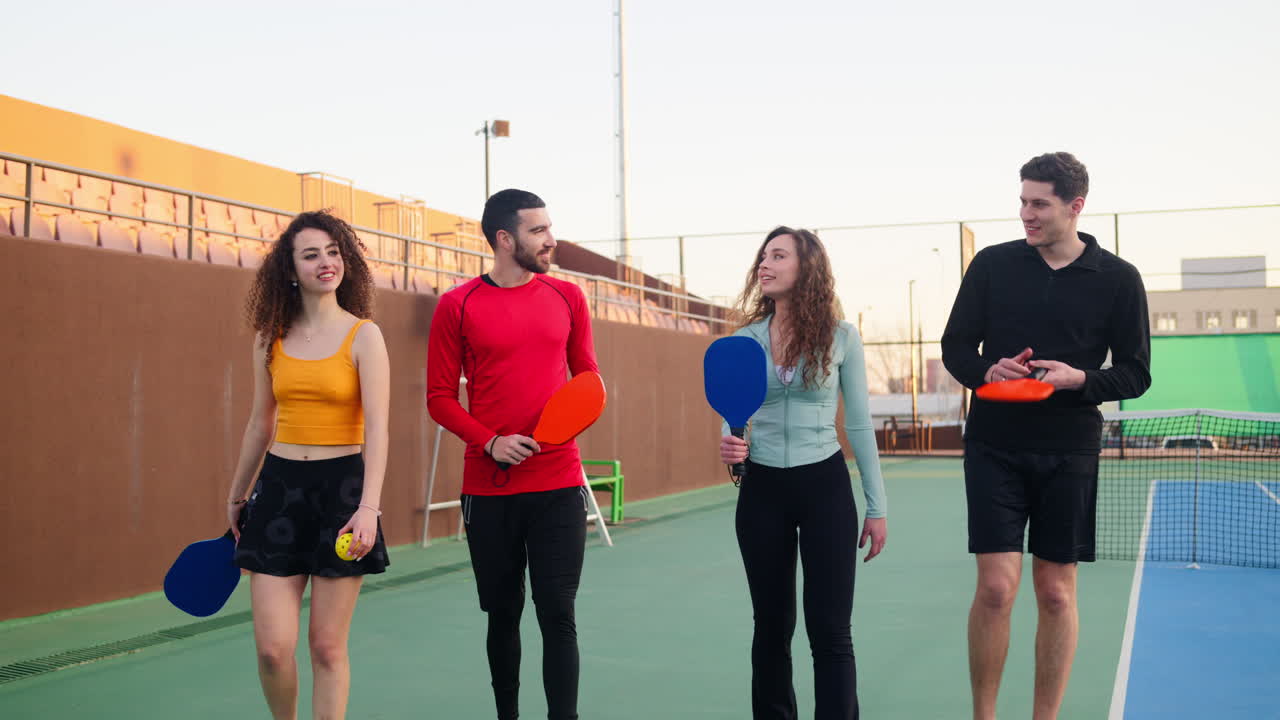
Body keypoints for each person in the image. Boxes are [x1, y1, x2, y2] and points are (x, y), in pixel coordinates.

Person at [941, 152, 1151, 720]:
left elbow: (1135, 372)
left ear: (1074, 207)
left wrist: (1080, 378)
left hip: (1071, 448)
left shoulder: (1119, 280)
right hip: (994, 445)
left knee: (1056, 594)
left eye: (1039, 204)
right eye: (1022, 201)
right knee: (996, 590)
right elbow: (956, 346)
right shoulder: (991, 266)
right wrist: (988, 370)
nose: (1026, 214)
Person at [427, 189, 599, 720]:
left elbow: (587, 380)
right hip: (489, 489)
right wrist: (491, 442)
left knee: (558, 616)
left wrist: (564, 424)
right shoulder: (457, 305)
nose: (551, 239)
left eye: (550, 228)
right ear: (505, 239)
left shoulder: (569, 297)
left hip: (558, 485)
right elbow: (437, 398)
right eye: (538, 231)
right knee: (502, 615)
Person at [227, 210, 391, 720]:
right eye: (311, 254)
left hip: (342, 491)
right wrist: (237, 496)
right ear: (290, 269)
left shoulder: (365, 336)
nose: (326, 262)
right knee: (273, 650)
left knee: (325, 647)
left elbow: (380, 430)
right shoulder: (268, 338)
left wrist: (370, 509)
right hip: (277, 489)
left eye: (334, 251)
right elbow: (260, 422)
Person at [719, 226, 888, 720]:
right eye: (762, 257)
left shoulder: (842, 336)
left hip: (826, 488)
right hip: (763, 490)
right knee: (771, 626)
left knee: (831, 630)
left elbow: (858, 424)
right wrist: (729, 445)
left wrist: (877, 507)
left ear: (806, 267)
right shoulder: (743, 341)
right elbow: (731, 420)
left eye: (777, 256)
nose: (764, 266)